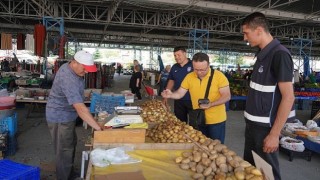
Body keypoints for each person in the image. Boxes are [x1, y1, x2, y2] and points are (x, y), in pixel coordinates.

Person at [241, 12, 295, 180]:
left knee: (268, 174)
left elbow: (288, 97)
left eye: (246, 33)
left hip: (265, 129)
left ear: (258, 30)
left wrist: (274, 134)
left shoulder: (279, 55)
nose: (244, 38)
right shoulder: (262, 54)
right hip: (252, 126)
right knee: (251, 171)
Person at [46, 50, 103, 180]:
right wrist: (98, 127)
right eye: (85, 68)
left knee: (70, 144)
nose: (87, 72)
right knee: (64, 150)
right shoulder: (68, 77)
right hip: (60, 117)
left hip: (67, 115)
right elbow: (80, 109)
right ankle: (64, 177)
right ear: (75, 63)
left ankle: (69, 173)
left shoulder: (71, 68)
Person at [162, 52, 231, 143]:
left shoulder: (219, 76)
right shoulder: (190, 76)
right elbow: (180, 93)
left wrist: (211, 104)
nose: (199, 72)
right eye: (196, 69)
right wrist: (171, 95)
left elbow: (227, 96)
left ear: (208, 65)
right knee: (200, 147)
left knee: (217, 148)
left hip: (216, 120)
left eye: (202, 70)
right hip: (198, 119)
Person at [164, 46, 193, 123]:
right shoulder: (174, 67)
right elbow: (171, 81)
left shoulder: (193, 65)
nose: (176, 57)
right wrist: (166, 97)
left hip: (193, 99)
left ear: (185, 53)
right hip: (178, 100)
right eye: (175, 56)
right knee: (180, 123)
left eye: (178, 55)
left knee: (195, 124)